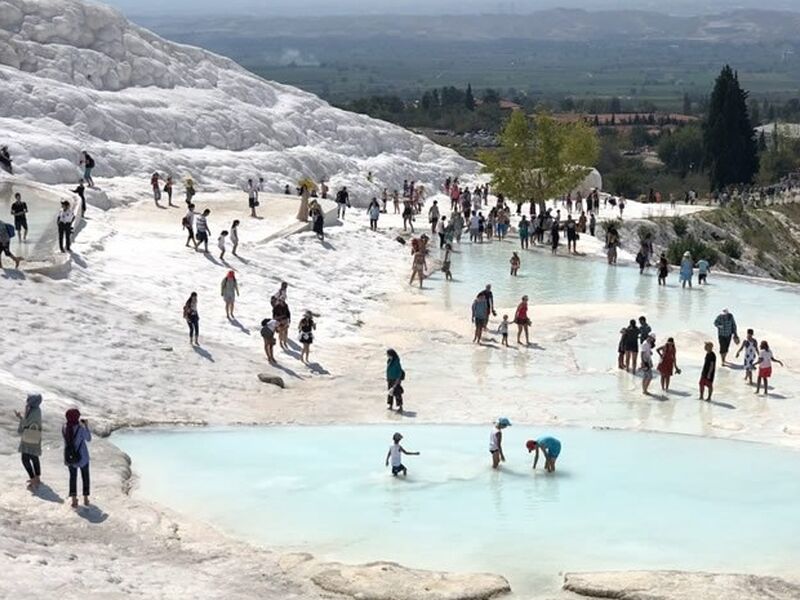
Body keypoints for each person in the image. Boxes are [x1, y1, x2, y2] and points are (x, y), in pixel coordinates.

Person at [62, 408, 91, 508]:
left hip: (69, 456)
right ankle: (86, 499)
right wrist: (86, 426)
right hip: (82, 456)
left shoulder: (64, 427)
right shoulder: (80, 428)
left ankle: (74, 500)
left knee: (73, 477)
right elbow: (88, 438)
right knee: (85, 476)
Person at [16, 393, 42, 491]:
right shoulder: (38, 410)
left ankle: (33, 479)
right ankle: (37, 478)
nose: (27, 400)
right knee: (34, 457)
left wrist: (20, 417)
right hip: (35, 437)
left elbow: (26, 422)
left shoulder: (32, 410)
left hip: (28, 437)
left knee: (25, 458)